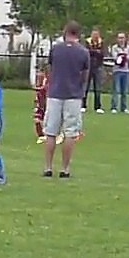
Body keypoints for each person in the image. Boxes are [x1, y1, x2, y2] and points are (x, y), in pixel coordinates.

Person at [42, 21, 90, 178]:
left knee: (51, 132)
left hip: (55, 93)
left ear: (65, 31)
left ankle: (48, 167)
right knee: (70, 133)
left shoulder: (55, 49)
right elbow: (85, 75)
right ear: (78, 33)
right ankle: (65, 168)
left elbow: (50, 69)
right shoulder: (83, 52)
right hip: (74, 96)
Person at [109, 32, 129, 114]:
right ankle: (114, 107)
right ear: (117, 39)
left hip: (126, 71)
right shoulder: (114, 47)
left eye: (122, 38)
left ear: (125, 39)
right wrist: (124, 57)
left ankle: (124, 107)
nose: (121, 40)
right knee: (116, 90)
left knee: (125, 91)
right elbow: (115, 57)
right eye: (119, 38)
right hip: (117, 71)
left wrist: (123, 56)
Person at [83, 28, 105, 113]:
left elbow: (102, 53)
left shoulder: (101, 42)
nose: (95, 36)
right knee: (86, 86)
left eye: (96, 35)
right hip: (88, 66)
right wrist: (96, 52)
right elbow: (87, 52)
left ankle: (98, 106)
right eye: (94, 34)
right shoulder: (87, 42)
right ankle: (83, 105)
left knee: (98, 87)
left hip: (98, 66)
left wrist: (94, 52)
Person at [33, 68, 49, 144]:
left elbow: (45, 88)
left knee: (47, 118)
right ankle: (41, 135)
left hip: (47, 101)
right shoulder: (40, 79)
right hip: (40, 102)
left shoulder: (49, 80)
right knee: (37, 118)